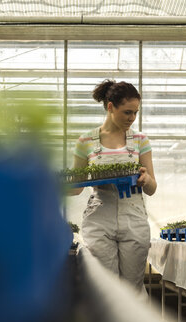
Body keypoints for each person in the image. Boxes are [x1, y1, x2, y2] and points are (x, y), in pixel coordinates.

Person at [71, 79, 157, 293]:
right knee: (104, 289)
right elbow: (76, 187)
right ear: (111, 107)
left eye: (135, 112)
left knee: (133, 288)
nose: (132, 118)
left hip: (133, 216)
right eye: (127, 112)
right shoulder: (85, 142)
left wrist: (146, 179)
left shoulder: (140, 140)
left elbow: (152, 187)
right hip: (99, 216)